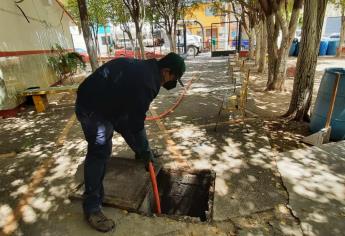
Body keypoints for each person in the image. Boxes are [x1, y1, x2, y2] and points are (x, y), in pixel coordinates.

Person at [75, 52, 186, 232]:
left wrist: (143, 150)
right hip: (92, 107)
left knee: (125, 125)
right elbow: (137, 124)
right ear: (166, 71)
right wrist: (145, 149)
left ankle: (141, 153)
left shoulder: (149, 70)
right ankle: (92, 208)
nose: (172, 82)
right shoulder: (148, 83)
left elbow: (131, 120)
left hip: (110, 103)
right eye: (175, 77)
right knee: (100, 151)